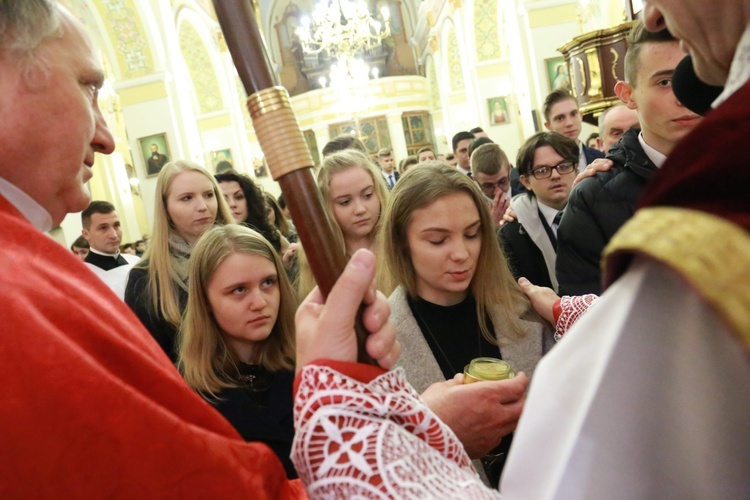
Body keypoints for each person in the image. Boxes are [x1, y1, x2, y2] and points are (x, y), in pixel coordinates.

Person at [2, 4, 499, 495]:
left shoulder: (25, 262)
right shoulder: (15, 294)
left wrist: (329, 381)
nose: (109, 138)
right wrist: (411, 430)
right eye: (89, 87)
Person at [500, 1, 750, 496]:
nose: (653, 12)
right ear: (628, 95)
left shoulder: (716, 192)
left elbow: (583, 469)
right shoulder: (598, 196)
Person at [381, 164, 555, 486]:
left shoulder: (527, 312)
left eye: (472, 234)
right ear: (402, 242)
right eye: (437, 241)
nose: (462, 254)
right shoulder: (377, 343)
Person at [555, 22, 702, 295]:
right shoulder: (592, 199)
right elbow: (590, 314)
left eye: (694, 77)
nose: (684, 95)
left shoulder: (736, 167)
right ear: (628, 94)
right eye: (665, 82)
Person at [179, 225, 298, 478]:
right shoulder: (186, 394)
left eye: (268, 283)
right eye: (239, 290)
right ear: (206, 301)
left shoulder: (308, 362)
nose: (260, 303)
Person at [125, 161, 234, 362]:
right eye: (186, 198)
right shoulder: (146, 278)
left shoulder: (243, 255)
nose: (202, 206)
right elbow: (148, 359)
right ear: (166, 208)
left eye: (209, 195)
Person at [296, 149, 389, 297]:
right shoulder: (318, 259)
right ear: (326, 207)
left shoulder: (400, 242)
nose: (360, 209)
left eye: (367, 195)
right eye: (345, 202)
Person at [499, 132, 577, 291]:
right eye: (542, 170)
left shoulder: (597, 212)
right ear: (526, 181)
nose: (555, 175)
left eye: (563, 166)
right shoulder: (512, 235)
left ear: (576, 169)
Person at [215, 171, 286, 253]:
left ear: (249, 201)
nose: (232, 204)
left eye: (239, 197)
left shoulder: (272, 236)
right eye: (224, 199)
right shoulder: (209, 245)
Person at [81, 200, 139, 299]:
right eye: (103, 228)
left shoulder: (137, 262)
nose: (114, 235)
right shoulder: (82, 277)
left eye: (116, 225)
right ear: (86, 234)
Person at [543, 88, 605, 171]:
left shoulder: (601, 158)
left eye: (573, 114)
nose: (569, 123)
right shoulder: (541, 165)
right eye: (560, 118)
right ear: (549, 126)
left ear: (581, 116)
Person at [470, 143, 512, 228]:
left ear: (509, 169)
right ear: (475, 180)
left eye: (502, 181)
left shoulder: (529, 197)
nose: (498, 191)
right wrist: (491, 228)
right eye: (488, 186)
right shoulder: (471, 210)